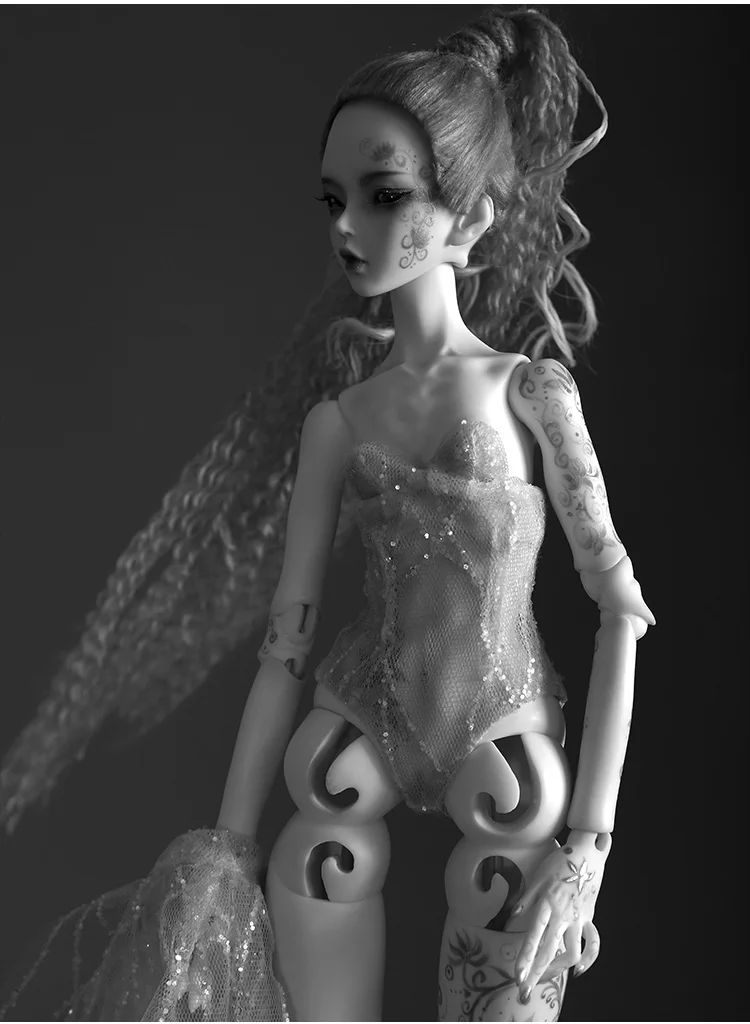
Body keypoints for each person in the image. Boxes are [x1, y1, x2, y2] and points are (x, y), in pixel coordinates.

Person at [0, 6, 654, 1021]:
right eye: (334, 198)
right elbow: (285, 650)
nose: (348, 225)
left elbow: (620, 609)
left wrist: (590, 850)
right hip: (356, 730)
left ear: (471, 218)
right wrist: (226, 848)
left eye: (385, 195)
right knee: (316, 895)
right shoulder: (338, 423)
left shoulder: (532, 393)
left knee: (506, 927)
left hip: (508, 737)